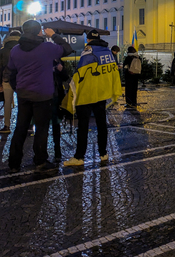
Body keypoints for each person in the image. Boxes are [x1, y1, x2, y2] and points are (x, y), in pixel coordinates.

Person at [7, 21, 72, 173]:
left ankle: (14, 163)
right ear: (38, 32)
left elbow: (11, 71)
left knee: (21, 128)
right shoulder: (47, 48)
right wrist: (53, 35)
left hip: (23, 93)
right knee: (41, 129)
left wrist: (18, 88)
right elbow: (67, 49)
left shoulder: (16, 50)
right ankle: (40, 161)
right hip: (43, 94)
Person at [64, 30, 122, 166]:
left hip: (87, 93)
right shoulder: (107, 51)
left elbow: (81, 72)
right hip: (101, 93)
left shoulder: (88, 51)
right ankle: (103, 153)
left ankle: (79, 157)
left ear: (88, 40)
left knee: (83, 126)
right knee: (102, 124)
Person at [0, 30, 21, 134]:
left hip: (7, 78)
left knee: (7, 103)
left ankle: (7, 126)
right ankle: (24, 126)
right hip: (20, 79)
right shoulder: (22, 48)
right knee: (23, 103)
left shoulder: (3, 50)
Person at [51, 59, 69, 162]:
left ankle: (57, 151)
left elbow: (65, 77)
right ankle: (40, 154)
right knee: (43, 125)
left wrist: (61, 70)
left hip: (56, 96)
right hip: (44, 97)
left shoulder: (59, 61)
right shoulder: (42, 59)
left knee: (56, 123)